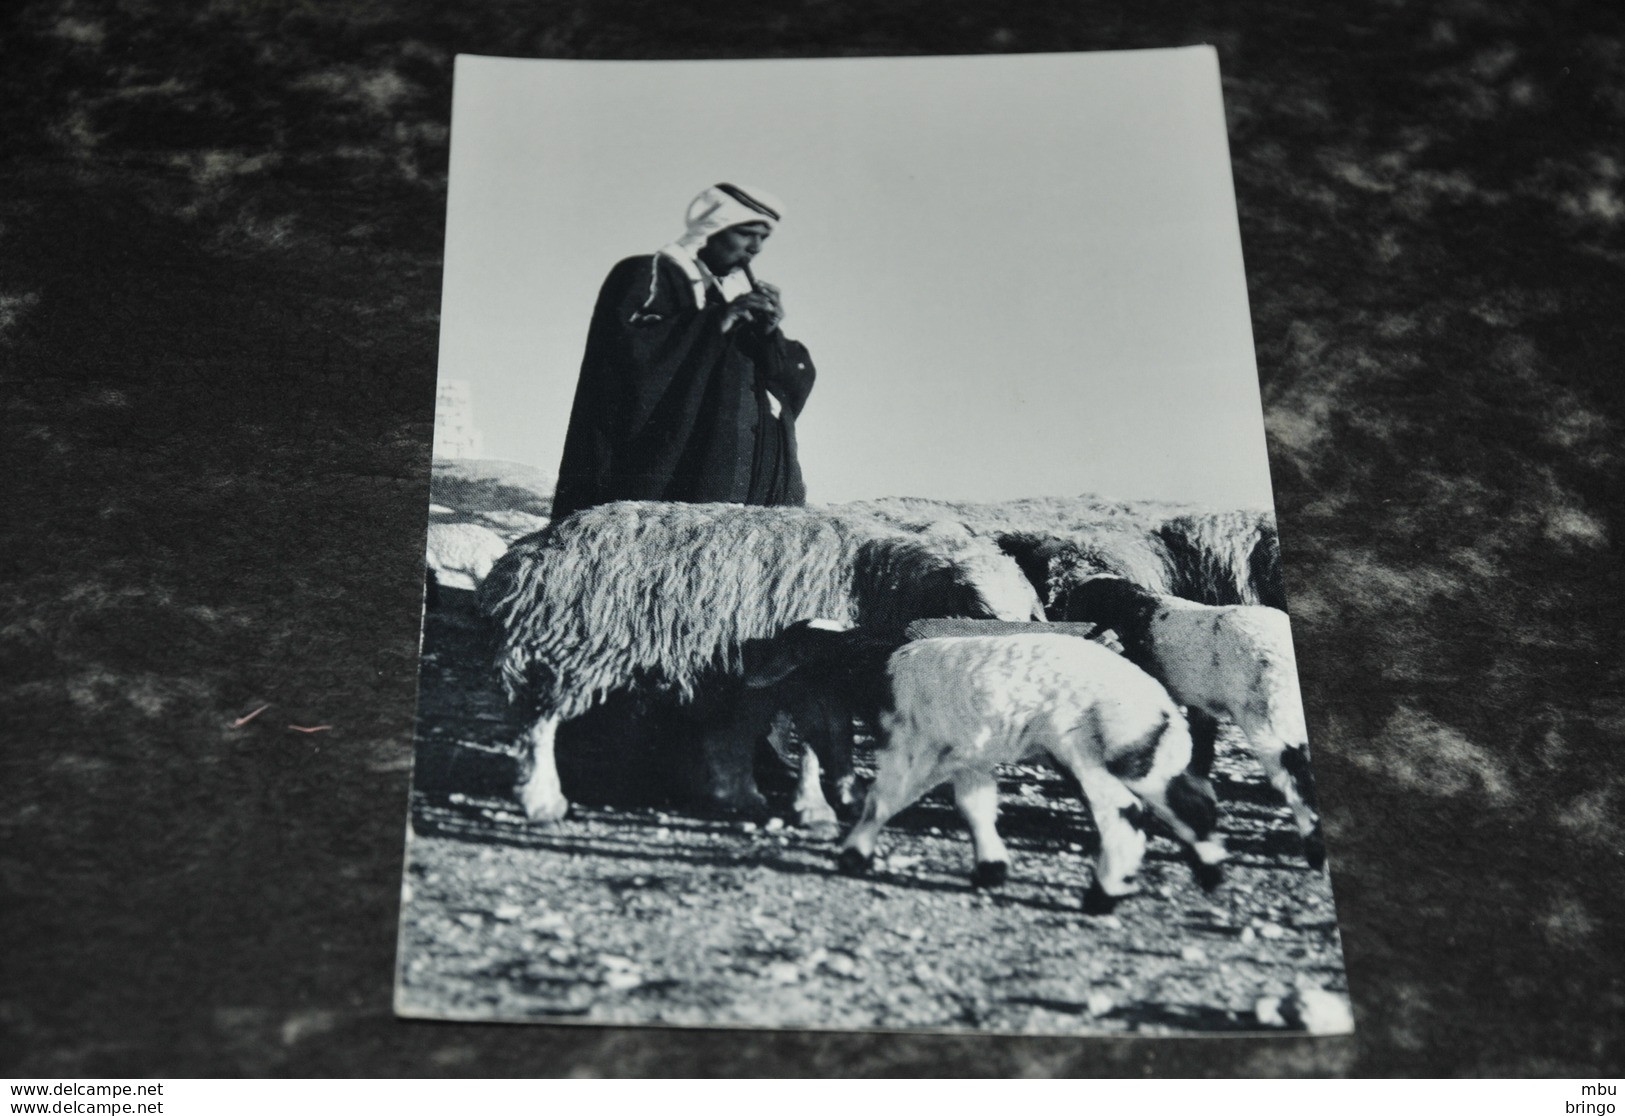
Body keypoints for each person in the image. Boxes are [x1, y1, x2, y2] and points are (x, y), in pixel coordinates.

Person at [550, 184, 817, 521]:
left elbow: (787, 383)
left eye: (764, 239)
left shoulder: (736, 301)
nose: (756, 248)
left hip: (740, 487)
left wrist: (768, 334)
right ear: (713, 228)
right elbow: (624, 356)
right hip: (668, 487)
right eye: (748, 233)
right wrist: (719, 321)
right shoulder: (647, 274)